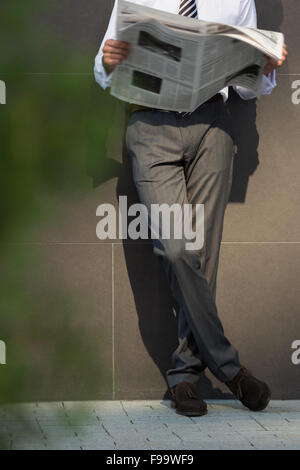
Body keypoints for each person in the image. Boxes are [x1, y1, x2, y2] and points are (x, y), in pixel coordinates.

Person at [94, 0, 288, 417]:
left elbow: (245, 84)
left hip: (213, 127)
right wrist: (109, 60)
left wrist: (264, 69)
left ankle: (184, 377)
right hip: (150, 124)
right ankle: (231, 369)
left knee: (204, 257)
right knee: (178, 249)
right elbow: (103, 66)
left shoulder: (239, 0)